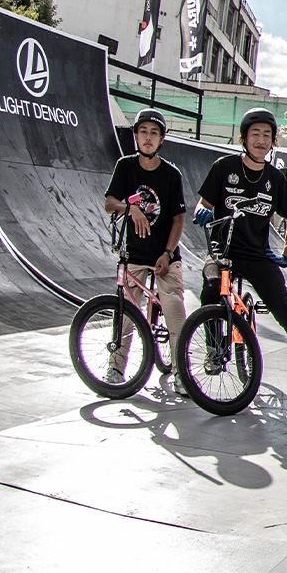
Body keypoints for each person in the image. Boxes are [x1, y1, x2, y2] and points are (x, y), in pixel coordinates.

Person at [192, 108, 287, 387]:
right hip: (223, 253)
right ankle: (214, 349)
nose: (260, 140)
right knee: (211, 288)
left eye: (267, 135)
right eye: (255, 134)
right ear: (244, 138)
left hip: (257, 256)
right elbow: (204, 203)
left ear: (273, 141)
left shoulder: (275, 178)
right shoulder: (224, 167)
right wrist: (202, 210)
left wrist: (286, 255)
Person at [102, 108, 188, 381]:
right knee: (126, 312)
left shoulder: (172, 175)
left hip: (165, 255)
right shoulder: (125, 166)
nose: (148, 138)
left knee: (174, 310)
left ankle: (180, 374)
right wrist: (130, 208)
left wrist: (168, 252)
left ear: (161, 139)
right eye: (143, 132)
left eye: (154, 133)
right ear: (136, 137)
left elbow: (178, 218)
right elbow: (109, 204)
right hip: (135, 255)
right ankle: (115, 368)